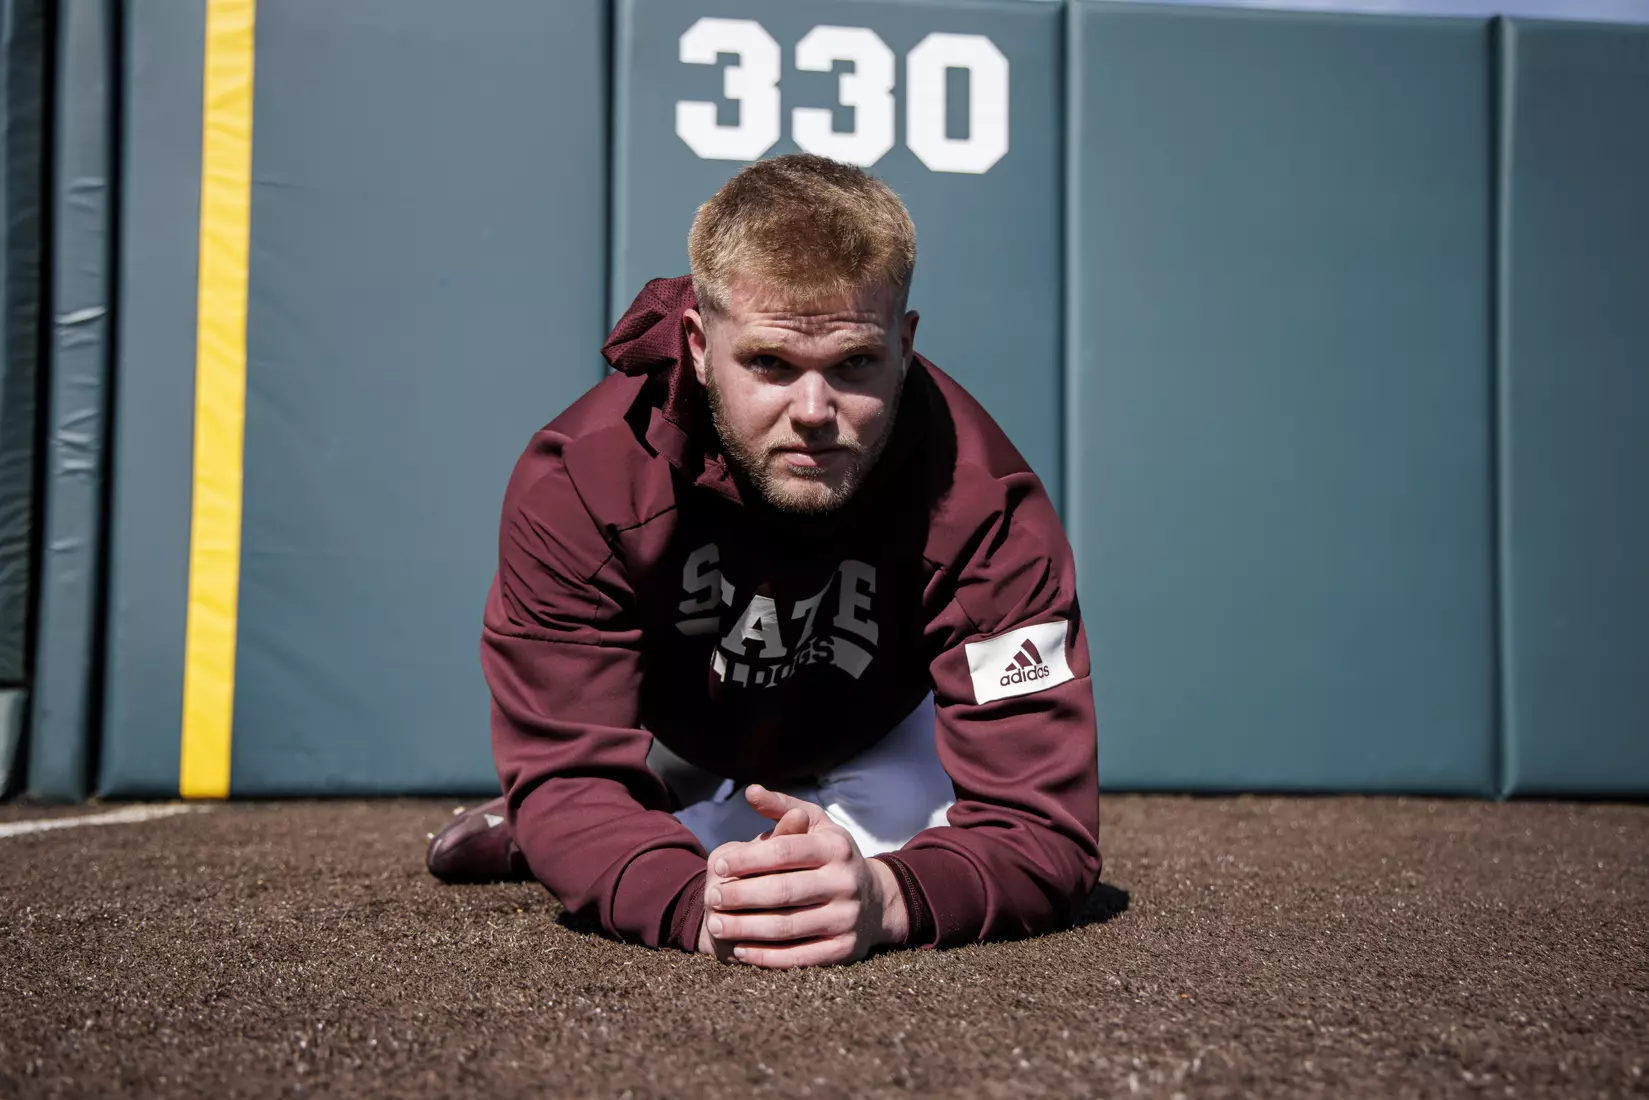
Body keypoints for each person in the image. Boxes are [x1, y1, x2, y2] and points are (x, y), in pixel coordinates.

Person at [427, 153, 1100, 968]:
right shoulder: (584, 479)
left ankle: (616, 831)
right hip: (682, 728)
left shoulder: (983, 501)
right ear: (699, 345)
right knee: (594, 820)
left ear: (905, 342)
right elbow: (571, 771)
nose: (813, 412)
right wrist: (691, 907)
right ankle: (617, 818)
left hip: (874, 729)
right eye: (770, 364)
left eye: (854, 362)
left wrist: (888, 900)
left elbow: (1040, 827)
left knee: (899, 832)